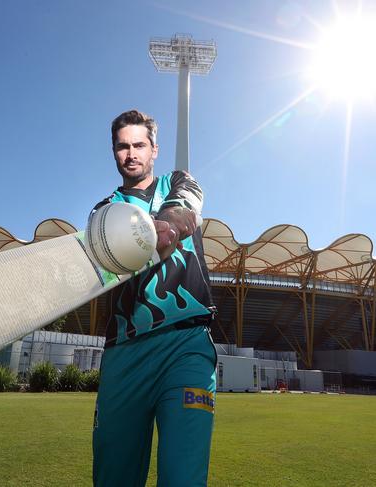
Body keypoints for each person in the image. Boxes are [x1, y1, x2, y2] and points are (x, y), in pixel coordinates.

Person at [91, 109, 217, 487]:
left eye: (139, 145)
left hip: (186, 344)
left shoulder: (177, 182)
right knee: (114, 476)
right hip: (125, 352)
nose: (131, 154)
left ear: (154, 149)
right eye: (122, 146)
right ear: (114, 151)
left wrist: (166, 225)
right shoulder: (102, 212)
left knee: (183, 477)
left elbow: (186, 204)